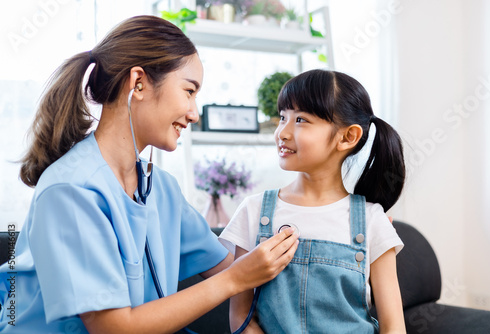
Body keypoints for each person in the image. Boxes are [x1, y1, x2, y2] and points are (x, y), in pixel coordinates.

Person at [0, 15, 299, 333]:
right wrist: (235, 279)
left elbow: (227, 264)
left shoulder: (161, 189)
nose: (195, 113)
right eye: (189, 91)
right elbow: (113, 328)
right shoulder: (70, 190)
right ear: (138, 83)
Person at [220, 69, 407, 333]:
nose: (282, 132)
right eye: (283, 117)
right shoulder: (253, 210)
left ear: (347, 137)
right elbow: (240, 316)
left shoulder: (372, 220)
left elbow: (394, 328)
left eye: (301, 120)